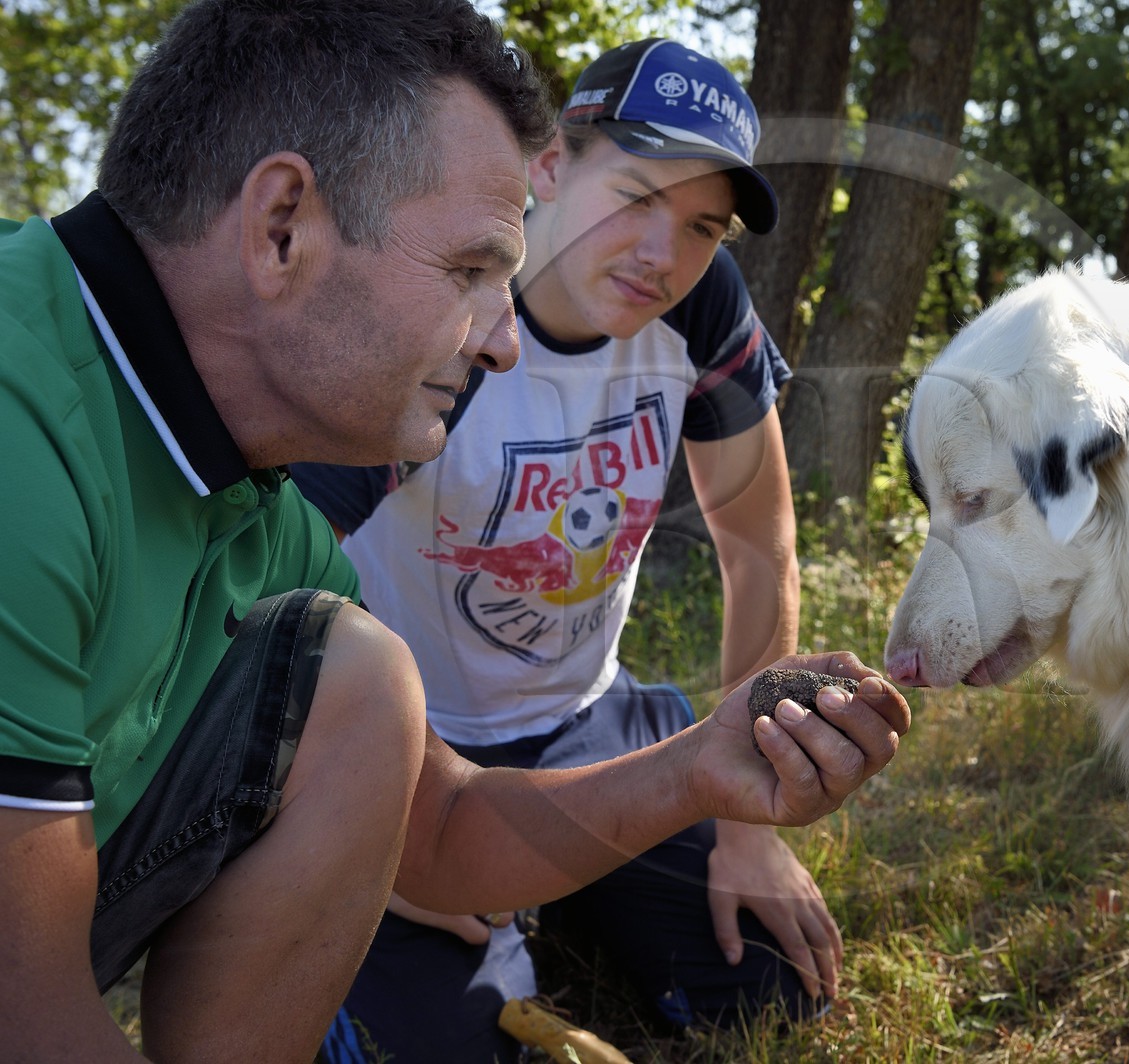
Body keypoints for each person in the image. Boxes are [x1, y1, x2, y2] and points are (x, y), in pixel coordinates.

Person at [0, 5, 911, 1063]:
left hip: (576, 721)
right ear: (282, 223)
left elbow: (435, 831)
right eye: (472, 270)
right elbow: (27, 1018)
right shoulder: (26, 432)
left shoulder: (261, 508)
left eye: (703, 226)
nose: (504, 343)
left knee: (358, 672)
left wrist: (709, 767)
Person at [291, 37, 829, 1062]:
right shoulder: (444, 313)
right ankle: (498, 900)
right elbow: (266, 577)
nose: (660, 253)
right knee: (437, 1048)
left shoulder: (703, 308)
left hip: (593, 724)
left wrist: (750, 827)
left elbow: (760, 546)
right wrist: (393, 837)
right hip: (407, 752)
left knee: (766, 985)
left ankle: (559, 891)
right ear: (547, 167)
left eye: (700, 225)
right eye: (635, 195)